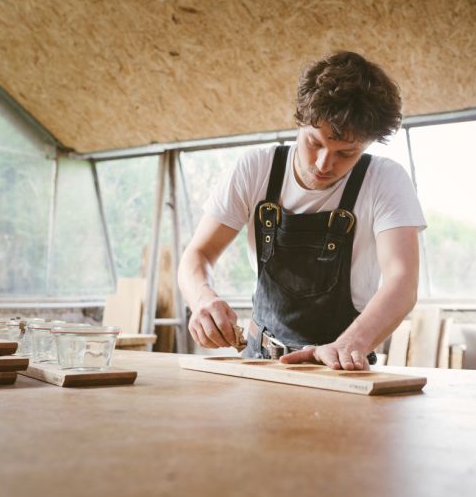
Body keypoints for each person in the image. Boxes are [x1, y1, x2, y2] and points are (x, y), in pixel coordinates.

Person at [178, 51, 426, 371]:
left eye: (346, 153)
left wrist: (351, 344)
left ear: (366, 144)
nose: (324, 164)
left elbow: (401, 281)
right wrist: (202, 300)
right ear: (300, 120)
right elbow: (197, 254)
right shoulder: (255, 169)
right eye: (315, 143)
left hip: (341, 364)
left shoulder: (385, 180)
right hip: (262, 360)